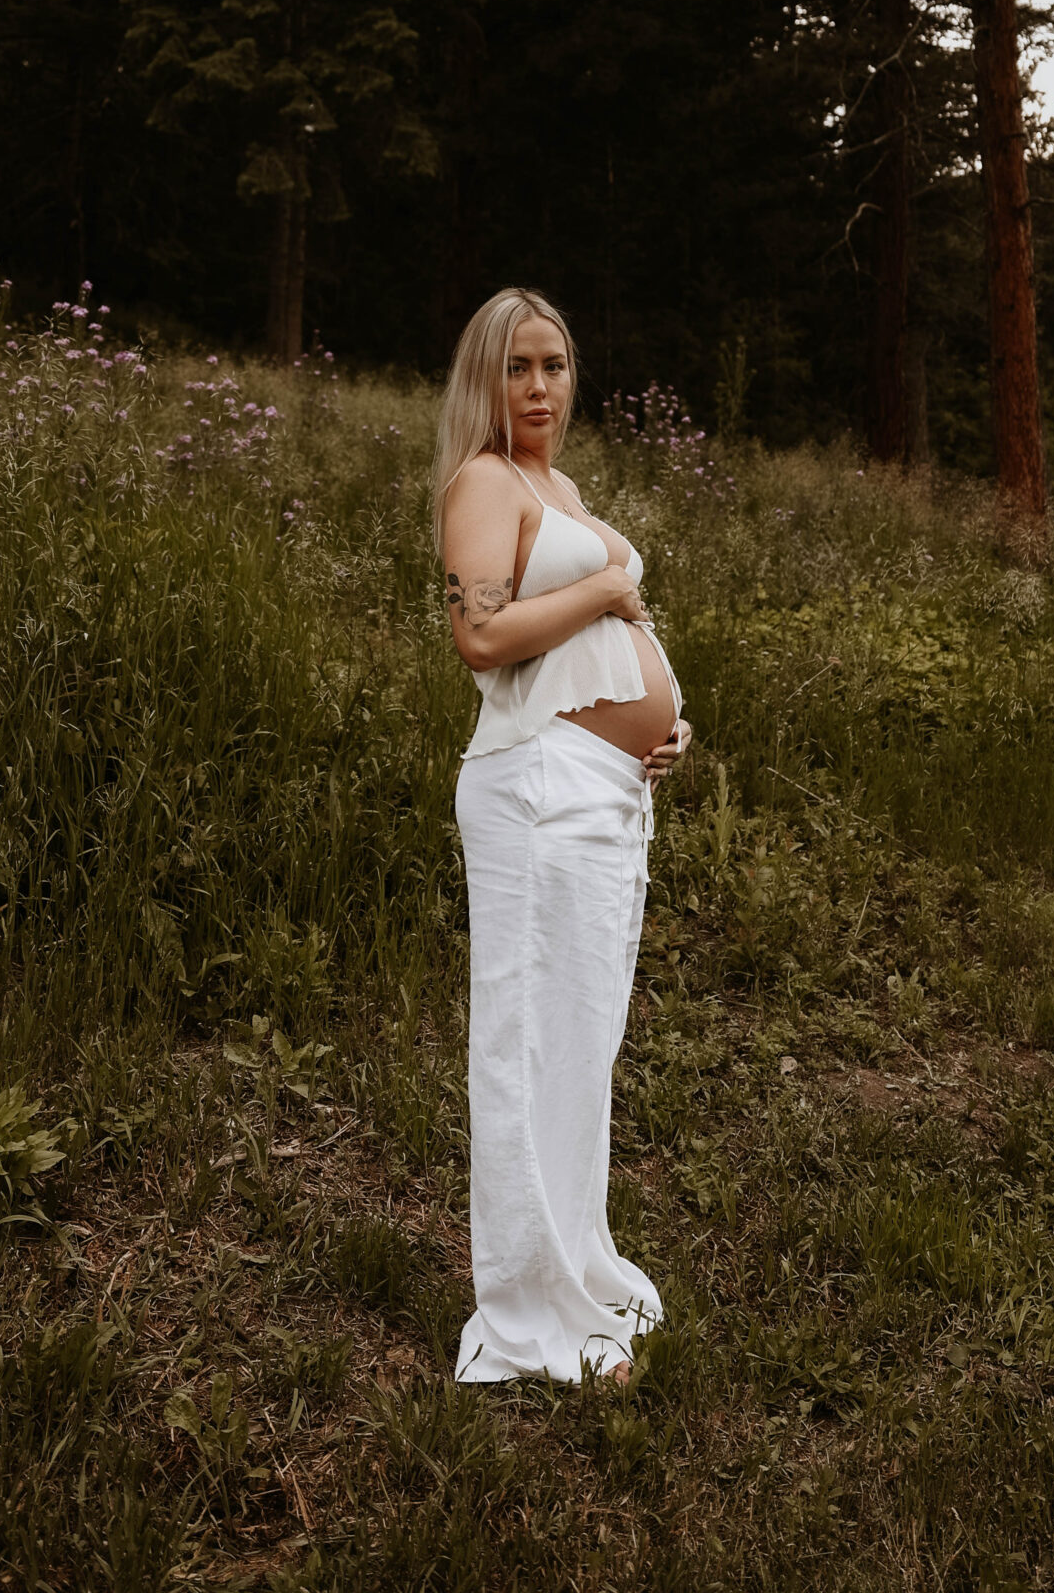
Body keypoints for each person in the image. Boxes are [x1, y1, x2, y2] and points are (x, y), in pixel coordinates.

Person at [435, 286, 692, 1386]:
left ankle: (578, 1271)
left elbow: (593, 645)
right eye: (517, 367)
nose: (540, 387)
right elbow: (482, 634)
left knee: (584, 1047)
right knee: (531, 1043)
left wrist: (663, 727)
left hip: (600, 791)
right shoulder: (482, 482)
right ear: (485, 379)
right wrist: (601, 592)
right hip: (535, 792)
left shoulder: (561, 487)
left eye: (556, 364)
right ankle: (531, 1315)